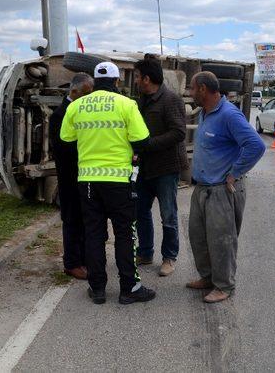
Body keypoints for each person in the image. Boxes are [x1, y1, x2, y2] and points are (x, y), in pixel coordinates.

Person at [60, 62, 156, 305]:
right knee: (125, 234)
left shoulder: (78, 106)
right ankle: (129, 289)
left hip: (88, 181)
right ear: (117, 81)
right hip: (118, 181)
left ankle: (98, 288)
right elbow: (142, 140)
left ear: (94, 81)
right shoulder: (127, 104)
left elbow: (66, 139)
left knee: (93, 234)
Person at [186, 71, 266, 303]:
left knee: (222, 241)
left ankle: (224, 285)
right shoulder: (205, 112)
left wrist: (235, 173)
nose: (191, 94)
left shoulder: (230, 114)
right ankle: (208, 277)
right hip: (202, 188)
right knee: (198, 237)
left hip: (222, 190)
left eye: (192, 89)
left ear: (202, 89)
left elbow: (256, 146)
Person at [133, 56, 187, 277]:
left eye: (137, 76)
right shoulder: (140, 100)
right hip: (144, 167)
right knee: (140, 211)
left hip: (166, 168)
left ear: (146, 79)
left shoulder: (171, 100)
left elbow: (179, 132)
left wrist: (148, 144)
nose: (135, 80)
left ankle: (169, 257)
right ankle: (145, 252)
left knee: (168, 215)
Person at [49, 72, 94, 280]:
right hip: (69, 176)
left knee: (85, 218)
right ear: (74, 92)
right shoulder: (61, 114)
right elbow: (63, 148)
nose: (88, 97)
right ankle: (72, 263)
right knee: (72, 219)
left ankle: (84, 258)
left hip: (84, 174)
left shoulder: (81, 109)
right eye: (85, 93)